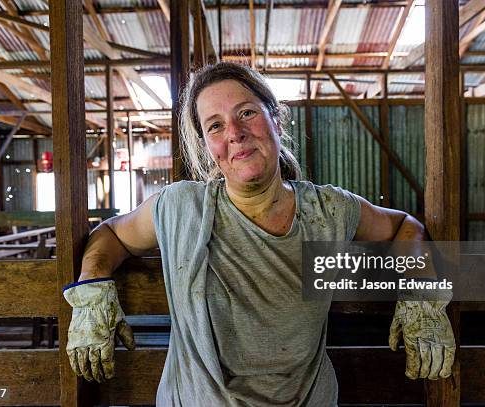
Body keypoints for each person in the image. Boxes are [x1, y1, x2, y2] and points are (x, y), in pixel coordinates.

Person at [62, 62, 455, 406]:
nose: (234, 133)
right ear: (206, 146)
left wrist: (421, 295)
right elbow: (110, 235)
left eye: (246, 113)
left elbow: (406, 226)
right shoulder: (179, 207)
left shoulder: (329, 210)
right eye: (215, 126)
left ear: (276, 120)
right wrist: (92, 293)